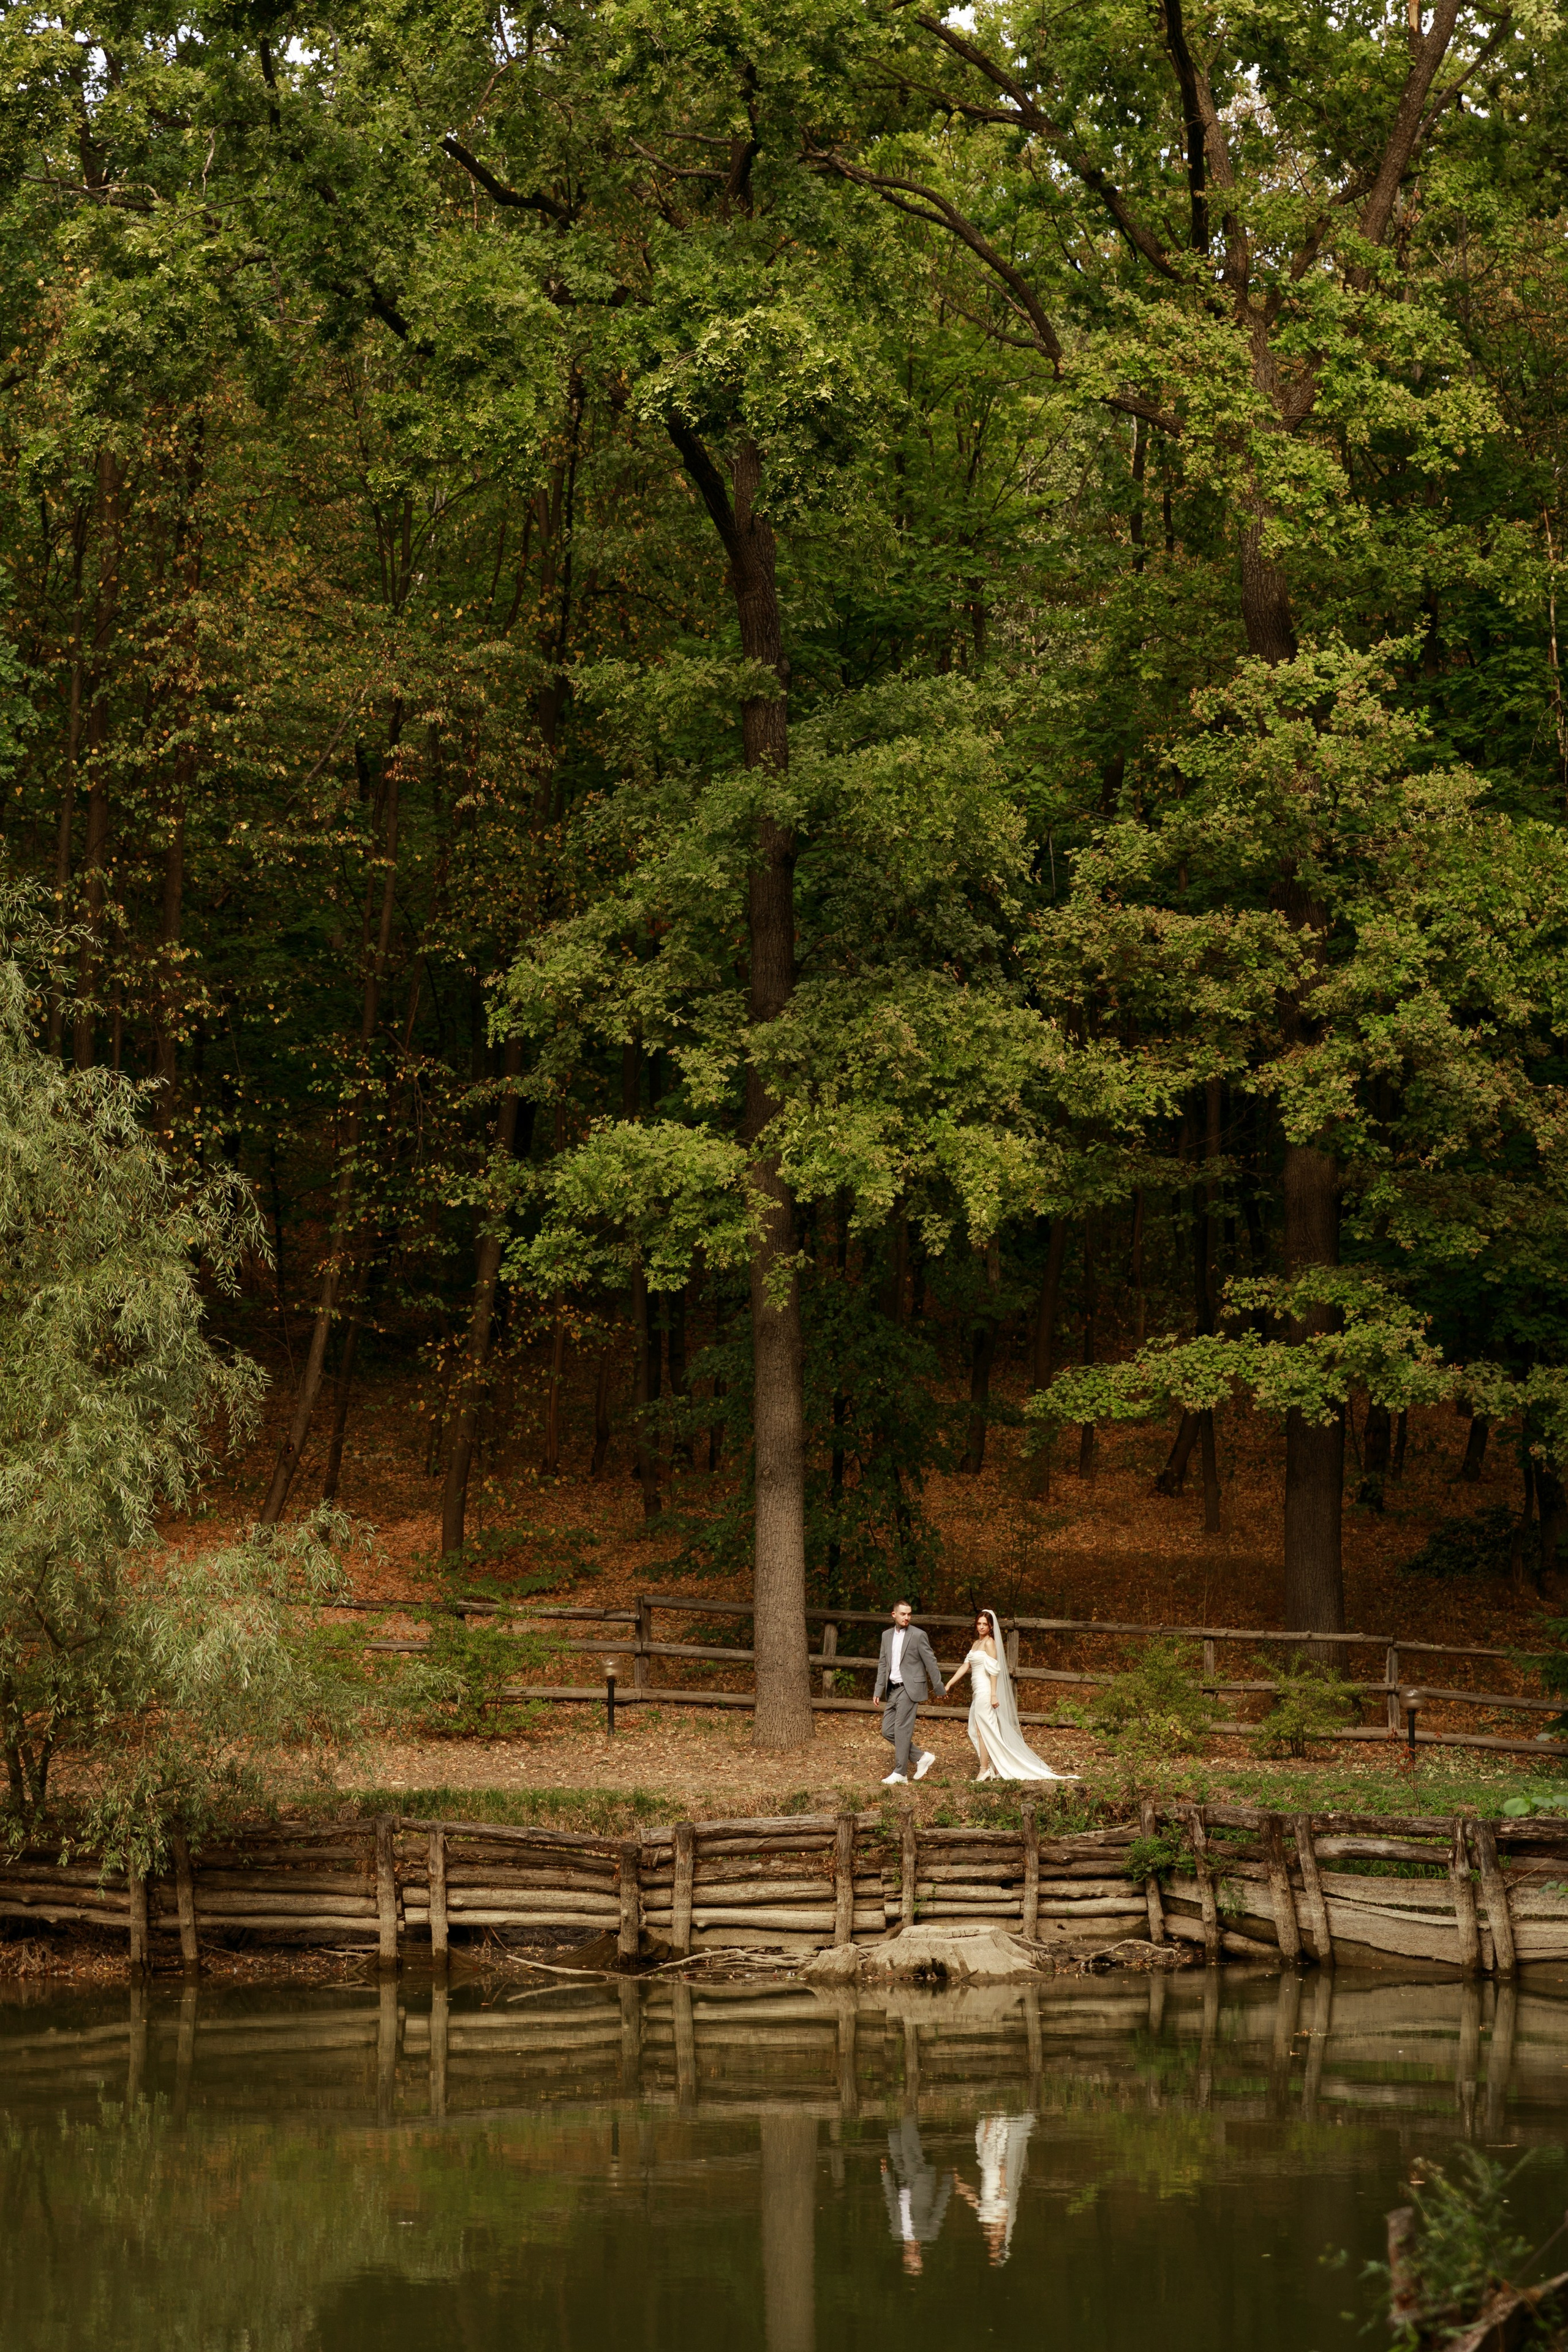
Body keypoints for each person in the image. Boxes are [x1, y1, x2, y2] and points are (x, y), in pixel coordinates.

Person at [943, 1608, 1078, 1782]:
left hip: (986, 1691)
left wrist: (993, 1694)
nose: (982, 1627)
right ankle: (994, 1768)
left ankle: (985, 1769)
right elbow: (965, 1666)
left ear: (991, 1626)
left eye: (985, 1624)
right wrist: (949, 1684)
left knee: (984, 1730)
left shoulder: (989, 1643)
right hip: (977, 1691)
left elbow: (994, 1671)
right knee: (979, 1730)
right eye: (979, 1624)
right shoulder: (976, 1643)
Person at [873, 1599, 944, 1785]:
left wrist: (939, 1687)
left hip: (910, 1688)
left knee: (902, 1729)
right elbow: (883, 1664)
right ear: (894, 1615)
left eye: (909, 1614)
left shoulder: (919, 1635)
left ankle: (900, 1773)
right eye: (903, 1614)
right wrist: (878, 1689)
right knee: (887, 1730)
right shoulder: (886, 1636)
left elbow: (931, 1662)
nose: (907, 1617)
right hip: (893, 1689)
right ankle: (921, 1757)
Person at [952, 2111, 1035, 2265]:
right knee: (997, 2144)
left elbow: (975, 2200)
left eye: (991, 2249)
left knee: (985, 2143)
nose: (992, 2246)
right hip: (996, 2175)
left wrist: (961, 2186)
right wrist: (1003, 2175)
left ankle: (990, 2119)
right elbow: (1003, 2194)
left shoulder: (986, 2220)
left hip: (987, 2172)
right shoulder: (1002, 2218)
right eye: (994, 2249)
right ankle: (1001, 2117)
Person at [881, 2116, 952, 2277]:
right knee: (909, 2149)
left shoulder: (896, 2232)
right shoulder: (929, 2234)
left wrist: (885, 2176)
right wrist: (948, 2180)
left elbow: (891, 2203)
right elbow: (940, 2207)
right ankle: (908, 2115)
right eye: (917, 2259)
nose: (914, 2254)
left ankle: (894, 2115)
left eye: (911, 2259)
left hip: (902, 2182)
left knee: (895, 2146)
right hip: (921, 2183)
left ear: (905, 2257)